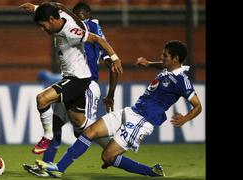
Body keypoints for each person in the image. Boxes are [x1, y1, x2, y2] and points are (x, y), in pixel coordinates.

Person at [31, 40, 202, 178]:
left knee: (107, 157)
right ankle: (59, 168)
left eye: (165, 56)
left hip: (142, 121)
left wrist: (185, 118)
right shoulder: (168, 68)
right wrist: (149, 63)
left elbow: (198, 106)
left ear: (176, 59)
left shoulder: (182, 80)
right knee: (89, 131)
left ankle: (152, 172)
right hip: (131, 111)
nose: (162, 57)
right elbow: (163, 66)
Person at [22, 2, 119, 177]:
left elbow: (101, 45)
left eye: (81, 17)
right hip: (70, 79)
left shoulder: (79, 30)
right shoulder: (62, 18)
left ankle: (113, 149)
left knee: (85, 130)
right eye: (76, 16)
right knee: (58, 122)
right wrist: (36, 8)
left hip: (86, 84)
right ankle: (47, 165)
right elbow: (56, 8)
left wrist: (114, 59)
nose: (78, 20)